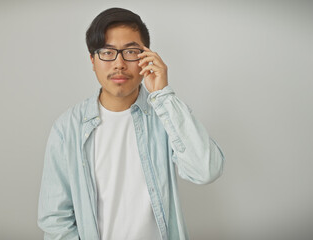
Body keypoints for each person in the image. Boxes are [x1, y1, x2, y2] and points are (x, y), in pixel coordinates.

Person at [37, 7, 225, 240]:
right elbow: (55, 219)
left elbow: (207, 170)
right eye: (107, 52)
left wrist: (163, 94)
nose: (119, 64)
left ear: (146, 57)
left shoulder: (165, 115)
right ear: (92, 60)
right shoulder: (67, 128)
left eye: (131, 52)